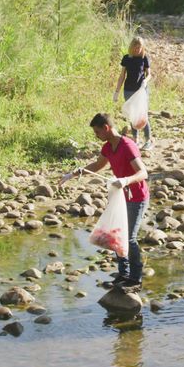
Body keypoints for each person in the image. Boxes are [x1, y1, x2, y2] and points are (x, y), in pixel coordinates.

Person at [61, 114, 149, 291]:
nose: (96, 135)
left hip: (136, 197)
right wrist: (74, 173)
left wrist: (125, 180)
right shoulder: (108, 147)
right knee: (117, 233)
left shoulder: (127, 146)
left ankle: (135, 279)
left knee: (129, 238)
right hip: (121, 197)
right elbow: (97, 166)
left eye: (97, 131)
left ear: (106, 128)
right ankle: (123, 274)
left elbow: (143, 173)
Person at [114, 37, 153, 150]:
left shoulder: (144, 58)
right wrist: (117, 91)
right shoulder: (127, 58)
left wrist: (145, 81)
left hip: (141, 90)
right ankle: (135, 140)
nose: (137, 50)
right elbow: (122, 76)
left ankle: (148, 140)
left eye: (139, 48)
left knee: (142, 115)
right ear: (131, 47)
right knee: (133, 115)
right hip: (128, 90)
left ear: (142, 48)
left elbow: (149, 74)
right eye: (135, 48)